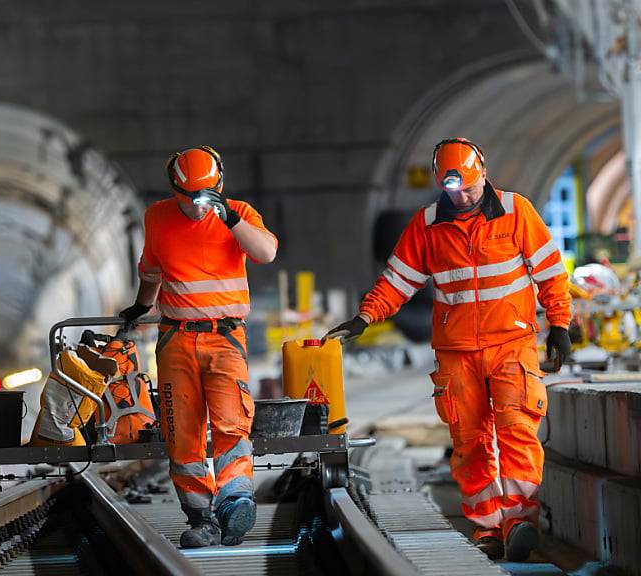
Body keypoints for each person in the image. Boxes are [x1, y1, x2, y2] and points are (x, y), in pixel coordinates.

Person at [326, 138, 571, 562]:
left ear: (483, 175)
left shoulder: (516, 211)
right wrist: (365, 317)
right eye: (454, 191)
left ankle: (520, 522)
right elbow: (398, 280)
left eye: (470, 189)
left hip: (511, 344)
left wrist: (560, 325)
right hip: (458, 352)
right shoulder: (427, 225)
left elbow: (550, 272)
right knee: (468, 440)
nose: (463, 197)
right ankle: (487, 527)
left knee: (517, 431)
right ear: (442, 185)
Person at [120, 146, 277, 548]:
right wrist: (141, 306)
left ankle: (235, 500)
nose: (195, 207)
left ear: (219, 186)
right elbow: (151, 271)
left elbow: (266, 252)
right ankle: (201, 517)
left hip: (224, 338)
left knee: (230, 423)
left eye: (203, 197)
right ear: (174, 191)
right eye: (187, 198)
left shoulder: (240, 213)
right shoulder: (157, 216)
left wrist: (231, 218)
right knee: (182, 434)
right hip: (176, 339)